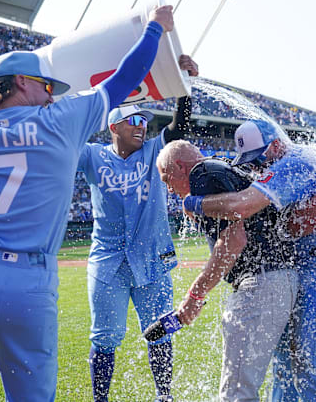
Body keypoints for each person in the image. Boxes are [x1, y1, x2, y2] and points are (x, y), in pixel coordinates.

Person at [0, 6, 175, 402]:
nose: (51, 95)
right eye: (44, 86)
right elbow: (124, 79)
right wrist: (154, 29)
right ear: (18, 83)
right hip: (32, 283)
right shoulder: (59, 121)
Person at [183, 121, 316, 401]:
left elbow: (242, 206)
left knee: (307, 366)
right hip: (311, 263)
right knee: (290, 367)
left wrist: (194, 204)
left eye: (258, 158)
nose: (256, 167)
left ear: (275, 146)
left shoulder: (293, 162)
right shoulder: (294, 158)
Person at [79, 55, 198, 402]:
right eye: (133, 121)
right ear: (114, 127)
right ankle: (101, 399)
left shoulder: (153, 151)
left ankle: (164, 396)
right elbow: (64, 141)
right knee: (104, 337)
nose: (141, 126)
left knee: (160, 332)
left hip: (152, 261)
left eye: (144, 121)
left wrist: (184, 85)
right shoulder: (92, 156)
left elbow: (180, 128)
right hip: (107, 263)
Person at [155, 136, 298, 401]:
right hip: (282, 280)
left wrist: (195, 295)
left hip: (260, 284)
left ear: (179, 167)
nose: (170, 190)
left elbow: (233, 241)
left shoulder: (202, 174)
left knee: (236, 392)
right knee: (282, 382)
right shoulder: (222, 168)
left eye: (166, 180)